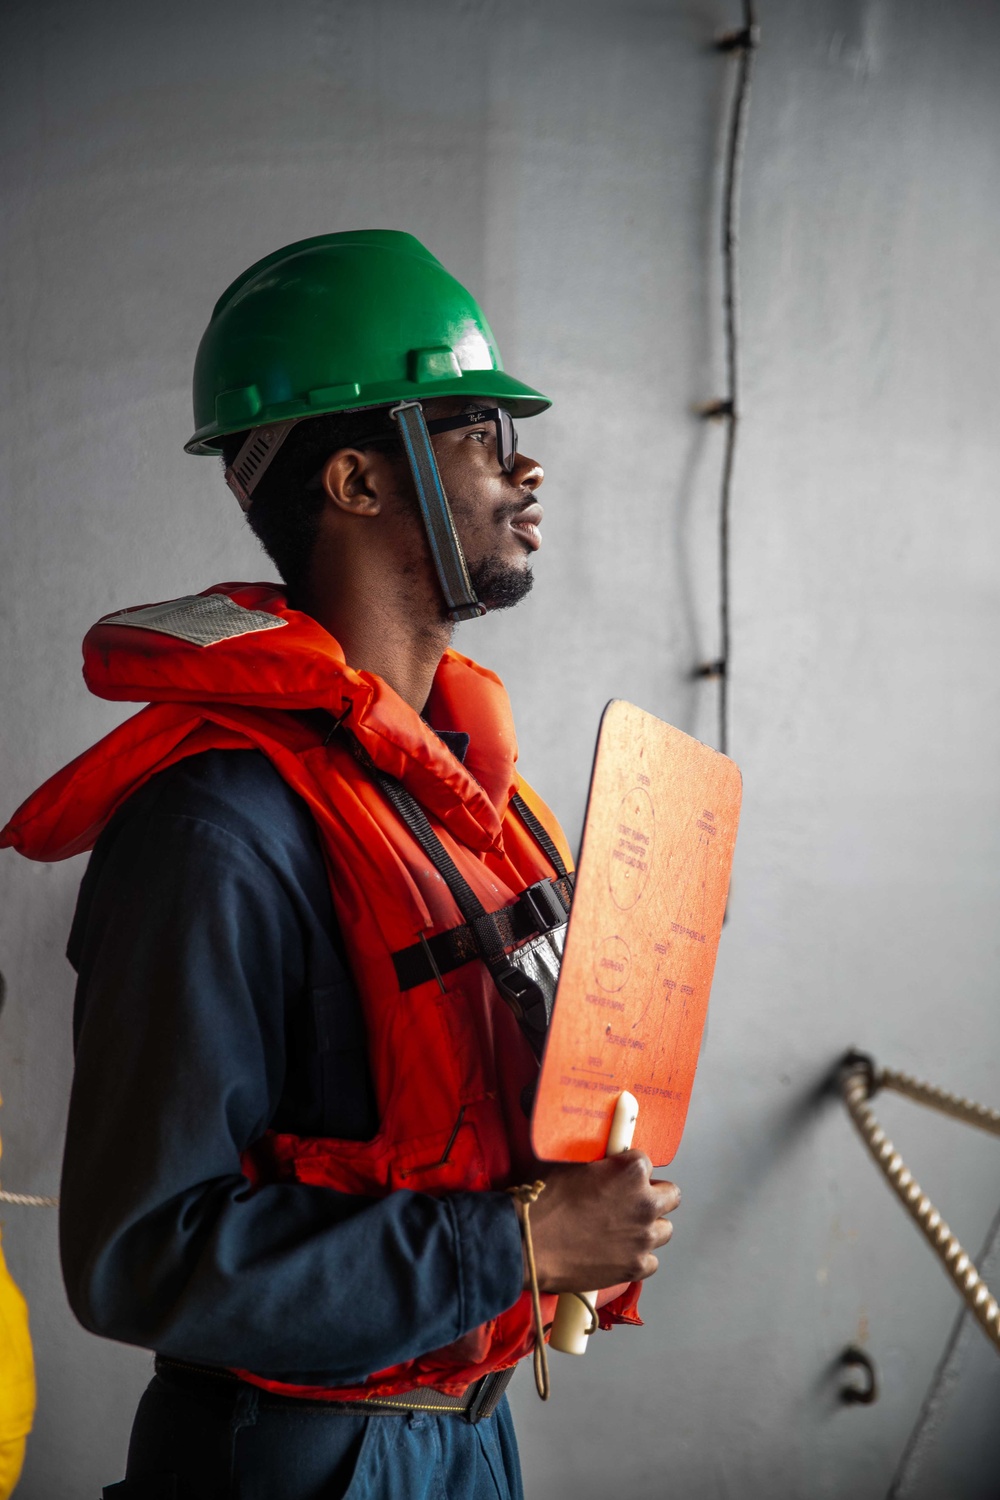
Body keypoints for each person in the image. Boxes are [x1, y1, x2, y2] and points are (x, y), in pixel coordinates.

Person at [2, 231, 680, 1499]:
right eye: (478, 428)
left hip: (469, 1432)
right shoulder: (215, 831)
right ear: (361, 480)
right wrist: (515, 1244)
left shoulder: (466, 793)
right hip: (302, 1464)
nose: (524, 464)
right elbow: (144, 1256)